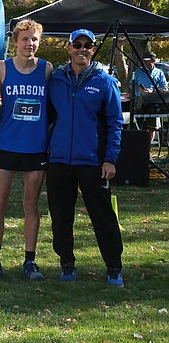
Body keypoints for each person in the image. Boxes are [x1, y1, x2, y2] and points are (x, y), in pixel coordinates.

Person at [47, 28, 124, 287]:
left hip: (92, 161)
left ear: (93, 49)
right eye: (77, 45)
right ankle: (66, 263)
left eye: (87, 45)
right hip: (59, 160)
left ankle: (114, 266)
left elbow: (115, 123)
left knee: (102, 216)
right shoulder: (56, 79)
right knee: (60, 215)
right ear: (68, 48)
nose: (82, 49)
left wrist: (110, 159)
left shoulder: (105, 82)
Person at [0, 19, 54, 282]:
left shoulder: (47, 69)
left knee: (31, 206)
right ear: (15, 42)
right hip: (6, 145)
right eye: (25, 39)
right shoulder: (1, 68)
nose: (30, 44)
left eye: (34, 39)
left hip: (35, 147)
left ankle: (30, 260)